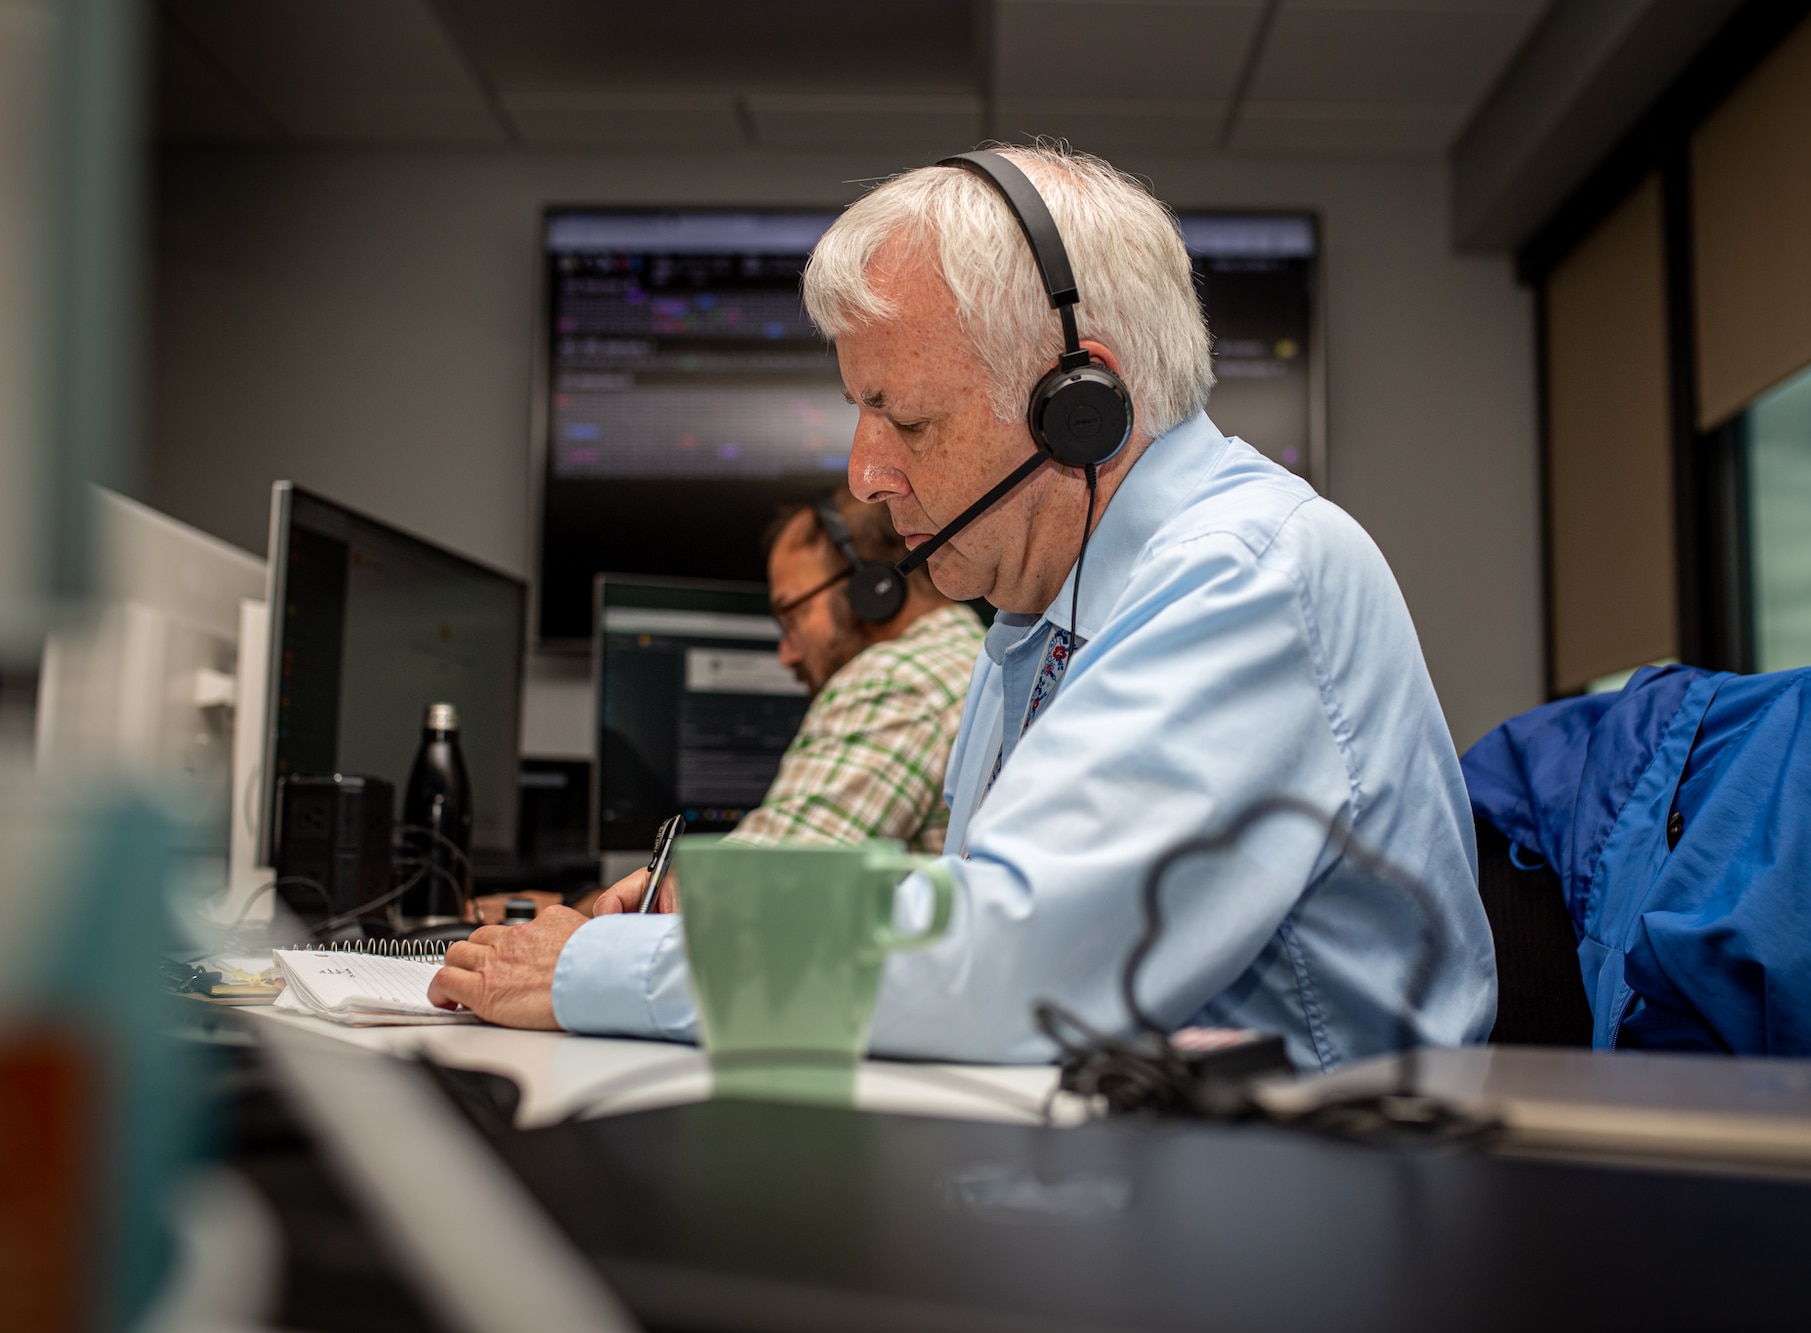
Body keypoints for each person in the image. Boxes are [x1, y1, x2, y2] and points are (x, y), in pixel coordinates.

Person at [430, 144, 1497, 1071]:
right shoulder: (1031, 618)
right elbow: (981, 902)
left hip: (1303, 1210)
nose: (862, 476)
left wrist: (601, 967)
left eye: (905, 420)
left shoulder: (1247, 574)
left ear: (1081, 404)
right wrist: (714, 913)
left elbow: (1012, 963)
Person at [721, 489, 984, 854]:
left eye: (792, 617)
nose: (786, 653)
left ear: (870, 590)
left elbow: (768, 878)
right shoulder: (982, 657)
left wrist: (662, 891)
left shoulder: (896, 681)